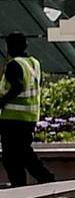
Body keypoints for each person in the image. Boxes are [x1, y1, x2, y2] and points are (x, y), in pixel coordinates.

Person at [1, 34, 55, 187]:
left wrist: (1, 101)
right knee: (21, 152)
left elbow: (17, 87)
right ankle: (23, 184)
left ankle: (43, 178)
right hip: (30, 116)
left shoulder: (14, 65)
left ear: (10, 46)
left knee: (13, 155)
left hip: (13, 117)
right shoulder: (33, 63)